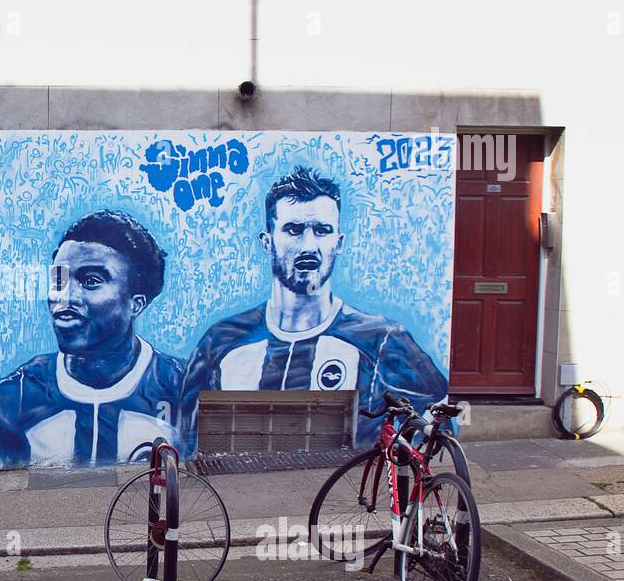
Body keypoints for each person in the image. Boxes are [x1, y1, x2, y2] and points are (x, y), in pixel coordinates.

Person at [180, 166, 449, 448]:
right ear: (267, 241)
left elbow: (435, 430)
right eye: (294, 230)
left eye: (322, 230)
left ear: (338, 242)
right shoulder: (222, 341)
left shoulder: (382, 341)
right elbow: (186, 439)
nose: (309, 246)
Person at [0, 211, 183, 467]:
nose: (65, 297)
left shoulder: (181, 388)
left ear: (136, 304)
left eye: (90, 281)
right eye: (59, 280)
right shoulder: (9, 401)